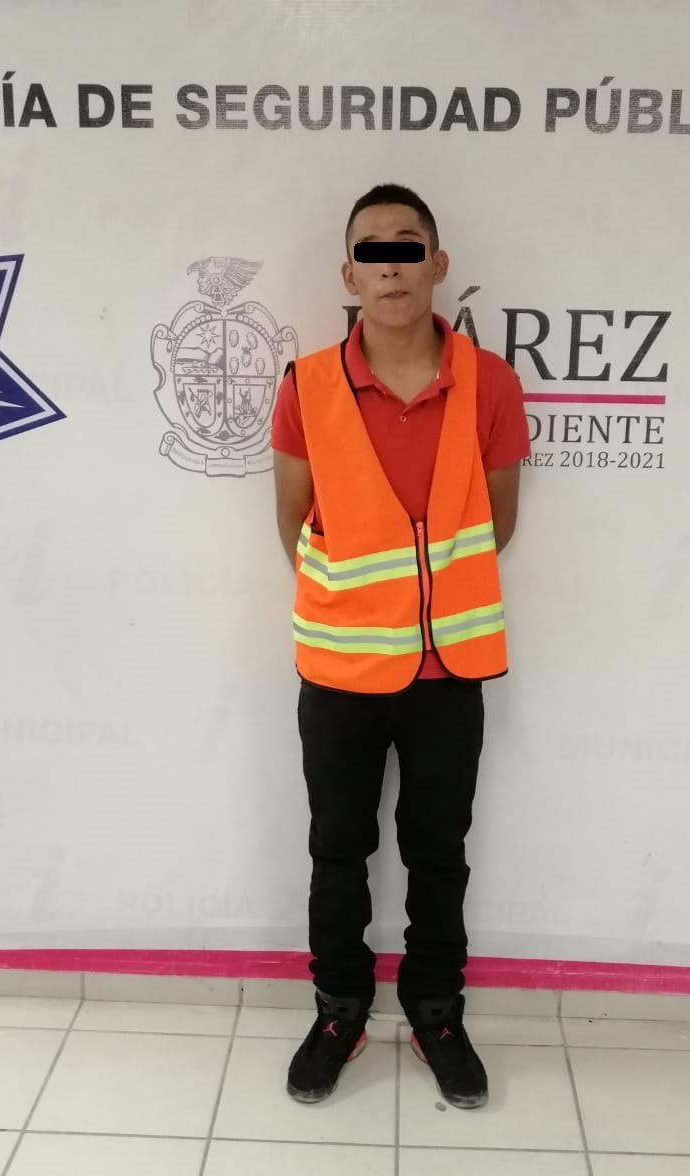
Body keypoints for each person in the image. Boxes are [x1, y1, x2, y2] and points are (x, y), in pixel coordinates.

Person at [271, 183, 529, 1109]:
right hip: (340, 670)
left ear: (438, 265)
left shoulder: (490, 384)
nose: (391, 267)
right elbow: (295, 524)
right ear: (349, 274)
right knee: (337, 852)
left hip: (448, 672)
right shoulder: (306, 385)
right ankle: (339, 1012)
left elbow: (496, 523)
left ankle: (435, 1014)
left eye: (408, 248)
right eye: (372, 252)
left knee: (439, 854)